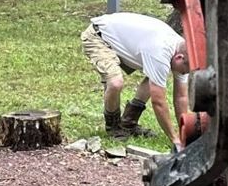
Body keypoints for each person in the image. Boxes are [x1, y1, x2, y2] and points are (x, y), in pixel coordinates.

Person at [80, 11, 189, 147]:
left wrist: (185, 133)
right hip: (98, 37)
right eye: (185, 70)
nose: (185, 73)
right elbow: (158, 102)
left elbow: (181, 98)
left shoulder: (183, 52)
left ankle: (128, 122)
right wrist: (175, 140)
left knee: (156, 76)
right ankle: (113, 128)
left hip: (124, 40)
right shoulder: (160, 52)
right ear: (179, 58)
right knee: (115, 83)